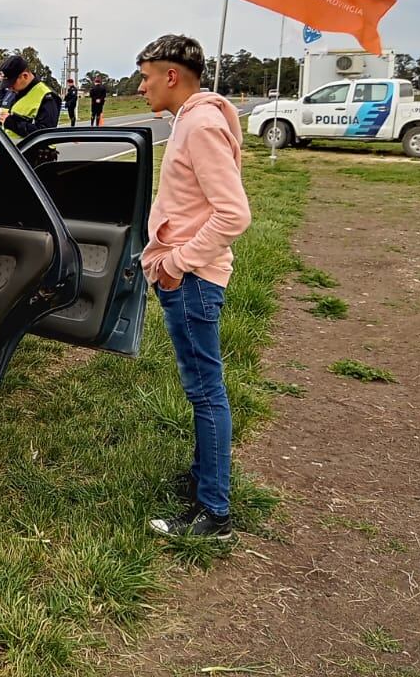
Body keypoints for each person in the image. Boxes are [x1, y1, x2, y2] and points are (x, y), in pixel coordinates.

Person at [136, 34, 251, 540]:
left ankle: (214, 513)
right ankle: (206, 480)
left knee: (206, 392)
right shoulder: (192, 120)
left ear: (171, 76)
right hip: (188, 276)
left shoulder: (201, 124)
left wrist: (179, 262)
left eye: (144, 77)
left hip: (194, 279)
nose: (140, 87)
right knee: (202, 388)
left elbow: (234, 213)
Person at [0, 54, 61, 141]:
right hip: (17, 152)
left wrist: (10, 123)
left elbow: (45, 133)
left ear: (25, 76)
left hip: (37, 153)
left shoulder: (47, 96)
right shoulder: (17, 91)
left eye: (12, 83)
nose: (9, 87)